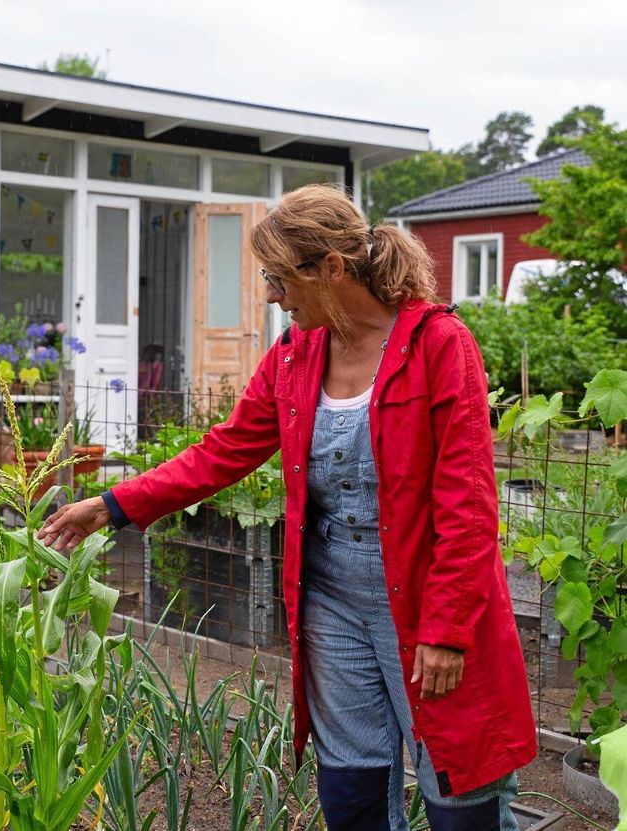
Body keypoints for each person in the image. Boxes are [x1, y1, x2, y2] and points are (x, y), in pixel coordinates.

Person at [38, 184, 536, 831]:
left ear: (329, 268)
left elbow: (468, 506)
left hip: (422, 602)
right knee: (352, 792)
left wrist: (445, 631)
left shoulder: (439, 346)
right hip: (332, 603)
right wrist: (110, 505)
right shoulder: (296, 356)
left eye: (277, 278)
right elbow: (222, 451)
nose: (271, 295)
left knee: (459, 794)